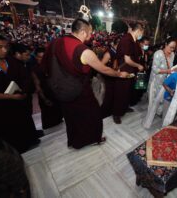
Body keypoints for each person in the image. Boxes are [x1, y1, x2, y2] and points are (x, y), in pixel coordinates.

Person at [41, 18, 128, 149]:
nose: (91, 35)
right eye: (90, 32)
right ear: (82, 32)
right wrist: (119, 74)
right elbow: (103, 69)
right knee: (93, 115)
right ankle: (92, 139)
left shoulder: (56, 42)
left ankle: (74, 141)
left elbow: (46, 64)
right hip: (78, 89)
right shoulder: (84, 51)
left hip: (59, 88)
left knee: (71, 117)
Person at [0, 33, 40, 153]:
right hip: (1, 109)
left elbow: (25, 77)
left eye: (6, 47)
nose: (4, 50)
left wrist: (24, 91)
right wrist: (9, 96)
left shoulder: (11, 61)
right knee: (10, 135)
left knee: (25, 126)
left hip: (20, 102)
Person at [112, 23, 145, 124]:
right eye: (142, 33)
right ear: (139, 31)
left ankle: (124, 108)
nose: (142, 35)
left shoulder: (134, 40)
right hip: (124, 70)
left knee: (127, 92)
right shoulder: (127, 39)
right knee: (121, 92)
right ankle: (116, 114)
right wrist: (138, 66)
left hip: (131, 71)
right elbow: (127, 60)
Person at [31, 47, 63, 130]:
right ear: (36, 57)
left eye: (44, 57)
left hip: (55, 94)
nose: (42, 59)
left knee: (59, 117)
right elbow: (37, 86)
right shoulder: (34, 70)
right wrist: (44, 99)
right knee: (48, 119)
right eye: (39, 57)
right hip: (45, 95)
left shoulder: (52, 66)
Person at [147, 37, 176, 117]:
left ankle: (159, 111)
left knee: (162, 96)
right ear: (166, 44)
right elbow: (155, 69)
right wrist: (167, 71)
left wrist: (173, 70)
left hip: (165, 79)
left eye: (174, 48)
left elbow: (171, 66)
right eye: (171, 47)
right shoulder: (158, 53)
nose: (172, 49)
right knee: (154, 97)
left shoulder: (173, 54)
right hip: (156, 79)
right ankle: (152, 112)